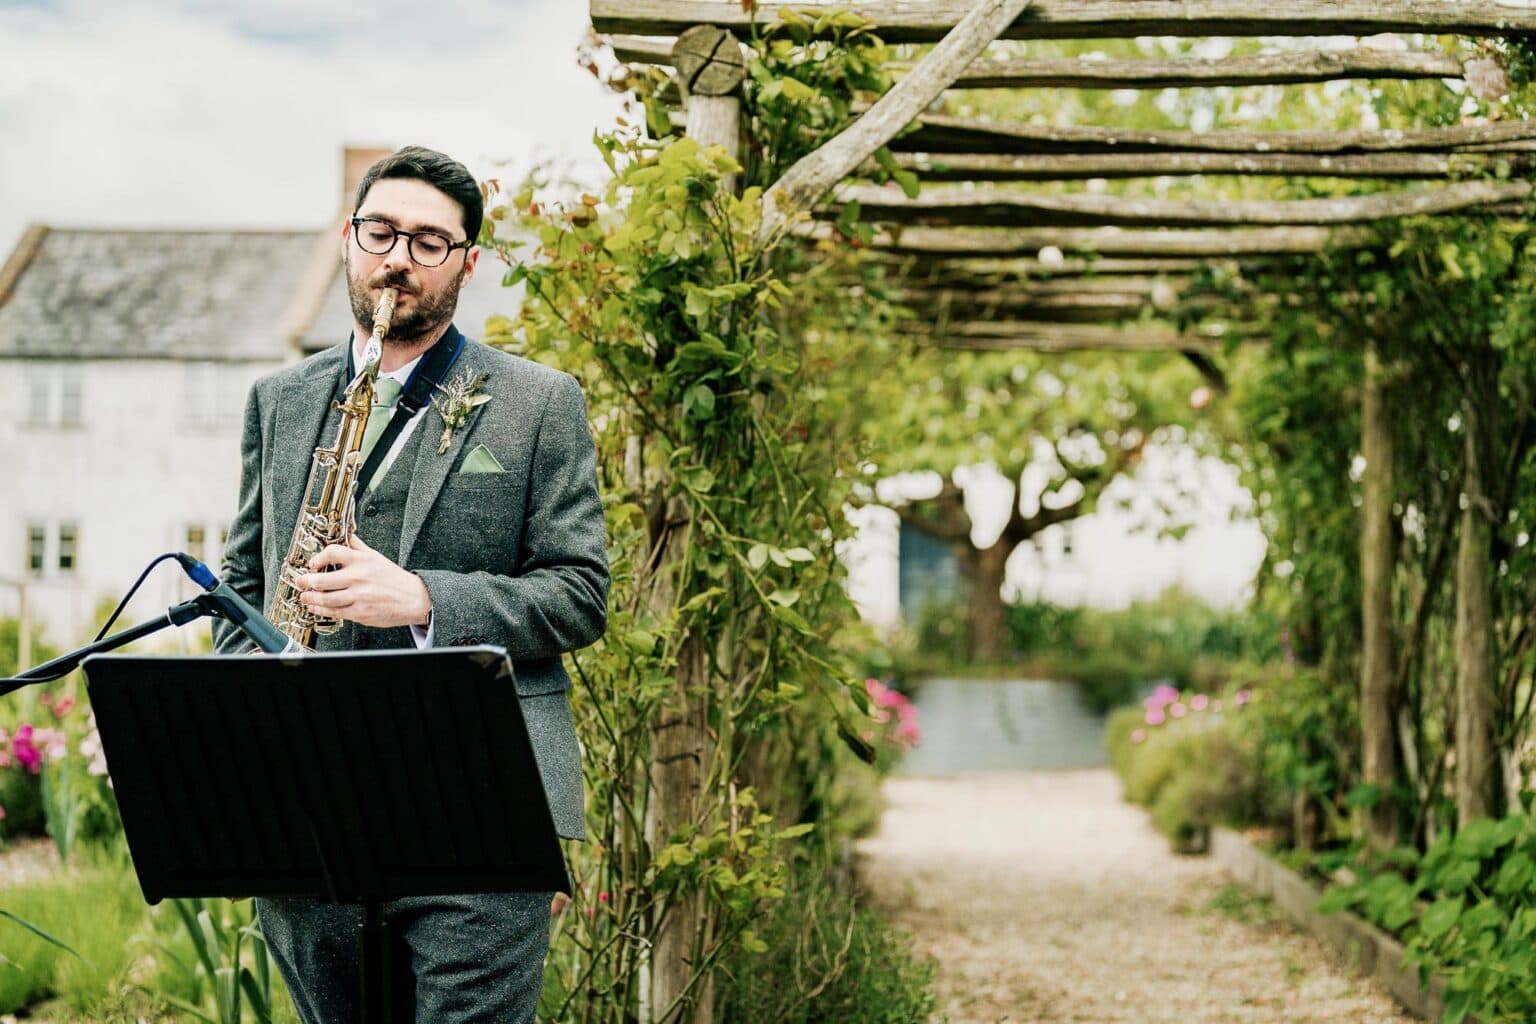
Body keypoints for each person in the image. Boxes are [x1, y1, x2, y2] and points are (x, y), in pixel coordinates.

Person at [213, 145, 609, 1023]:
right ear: (349, 239)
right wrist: (260, 691)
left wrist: (426, 599)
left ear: (468, 263)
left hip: (483, 800)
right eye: (381, 232)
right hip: (308, 805)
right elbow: (242, 579)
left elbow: (581, 593)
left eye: (430, 242)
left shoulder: (540, 402)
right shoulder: (278, 400)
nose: (399, 258)